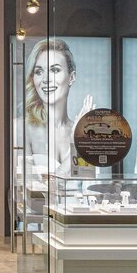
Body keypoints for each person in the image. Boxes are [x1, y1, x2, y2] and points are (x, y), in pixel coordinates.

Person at [24, 38, 93, 175]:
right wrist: (76, 148)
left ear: (71, 77)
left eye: (55, 70)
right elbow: (27, 186)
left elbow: (86, 182)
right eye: (39, 72)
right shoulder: (22, 129)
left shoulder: (80, 132)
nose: (46, 79)